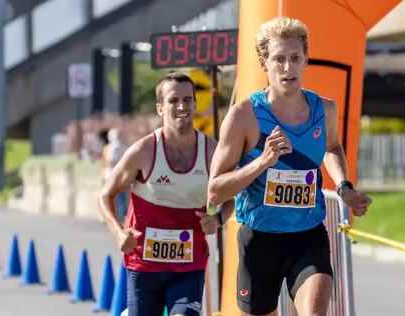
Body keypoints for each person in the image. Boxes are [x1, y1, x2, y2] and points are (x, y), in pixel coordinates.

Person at [206, 17, 372, 316]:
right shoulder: (244, 116)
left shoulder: (325, 110)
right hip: (260, 238)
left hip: (308, 235)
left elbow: (332, 148)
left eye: (295, 58)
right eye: (278, 59)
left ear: (306, 60)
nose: (287, 67)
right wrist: (263, 161)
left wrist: (344, 186)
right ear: (263, 63)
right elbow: (215, 190)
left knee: (315, 311)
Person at [98, 72, 227, 316]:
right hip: (144, 267)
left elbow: (233, 194)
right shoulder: (143, 151)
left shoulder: (211, 151)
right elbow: (105, 195)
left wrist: (218, 219)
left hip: (189, 266)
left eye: (188, 100)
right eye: (173, 100)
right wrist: (118, 233)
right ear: (160, 108)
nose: (182, 106)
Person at [101, 128, 129, 220]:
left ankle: (113, 216)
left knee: (111, 197)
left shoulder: (112, 147)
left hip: (111, 175)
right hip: (120, 176)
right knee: (120, 197)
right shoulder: (124, 146)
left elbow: (110, 161)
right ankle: (121, 216)